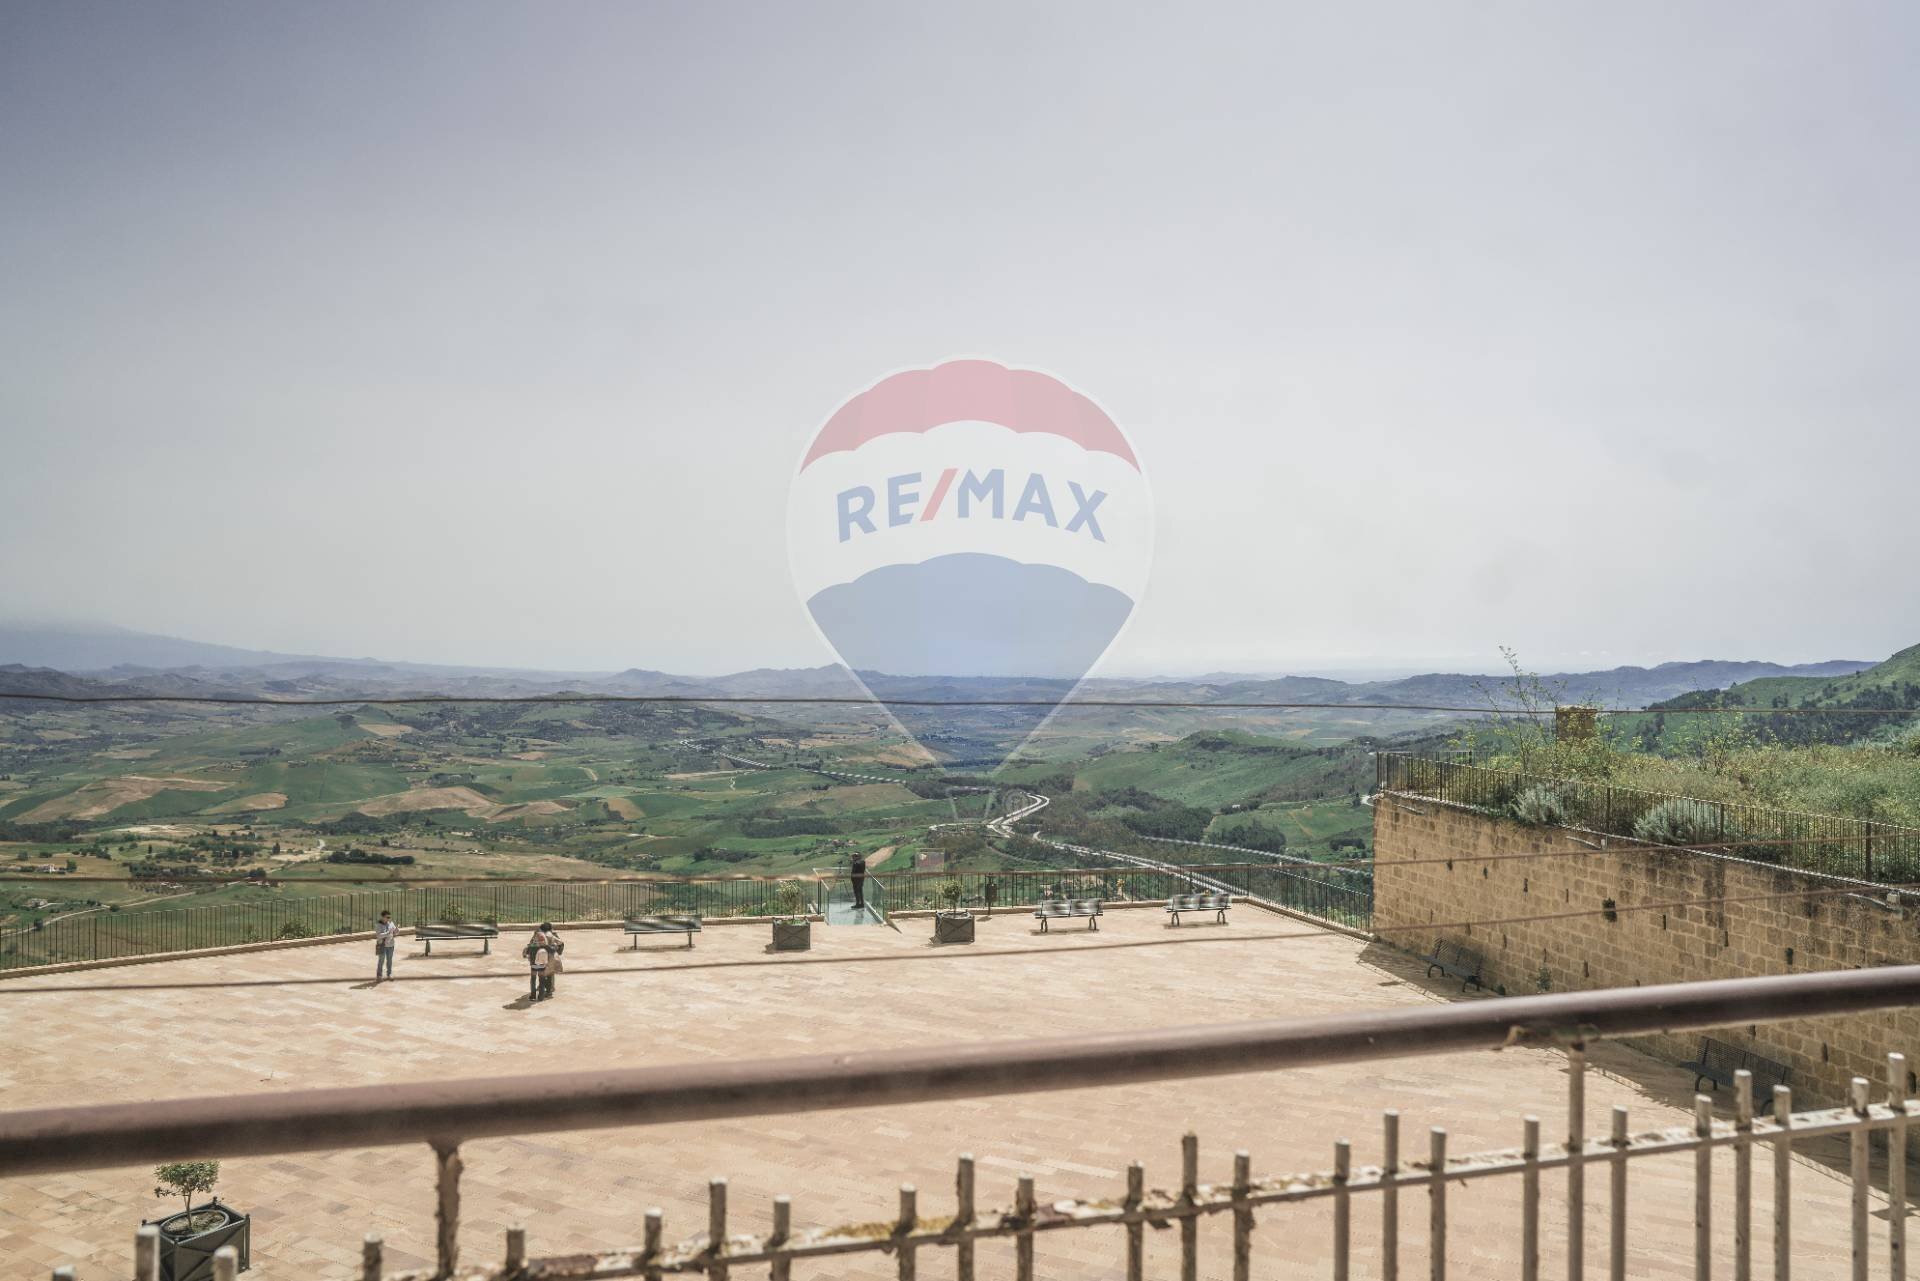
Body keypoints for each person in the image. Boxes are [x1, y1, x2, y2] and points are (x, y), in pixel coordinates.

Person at [525, 926, 550, 1003]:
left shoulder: (532, 946)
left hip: (534, 965)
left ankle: (533, 996)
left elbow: (526, 953)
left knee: (533, 979)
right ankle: (541, 996)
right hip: (542, 965)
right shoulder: (545, 946)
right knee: (542, 980)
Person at [374, 910, 398, 982]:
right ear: (382, 917)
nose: (388, 919)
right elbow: (378, 935)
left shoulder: (391, 923)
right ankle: (379, 976)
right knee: (381, 960)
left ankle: (389, 974)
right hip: (382, 945)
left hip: (391, 945)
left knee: (389, 960)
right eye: (387, 917)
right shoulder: (378, 925)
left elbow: (395, 933)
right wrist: (387, 933)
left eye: (389, 917)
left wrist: (396, 930)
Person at [540, 924, 563, 999]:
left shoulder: (539, 935)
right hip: (551, 957)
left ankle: (545, 989)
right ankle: (549, 991)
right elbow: (560, 942)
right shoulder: (552, 935)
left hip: (541, 957)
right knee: (549, 974)